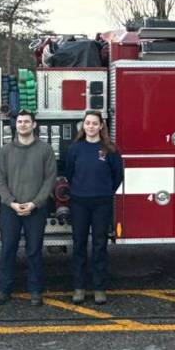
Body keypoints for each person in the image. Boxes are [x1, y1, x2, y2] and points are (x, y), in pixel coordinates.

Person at [0, 109, 57, 308]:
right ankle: (4, 290)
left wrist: (34, 203)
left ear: (34, 125)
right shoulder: (5, 151)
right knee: (7, 250)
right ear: (16, 125)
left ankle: (36, 291)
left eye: (26, 122)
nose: (23, 125)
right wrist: (11, 202)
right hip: (10, 210)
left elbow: (49, 180)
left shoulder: (45, 150)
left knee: (34, 251)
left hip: (35, 210)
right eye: (20, 122)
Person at [64, 110, 124, 305]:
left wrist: (105, 191)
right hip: (79, 202)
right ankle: (79, 288)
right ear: (84, 126)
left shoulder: (110, 149)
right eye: (87, 123)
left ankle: (99, 288)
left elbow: (118, 176)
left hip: (102, 204)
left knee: (100, 246)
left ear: (101, 126)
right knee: (79, 245)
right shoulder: (75, 148)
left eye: (94, 123)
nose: (90, 126)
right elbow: (69, 173)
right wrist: (80, 190)